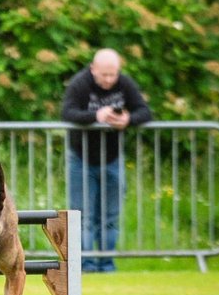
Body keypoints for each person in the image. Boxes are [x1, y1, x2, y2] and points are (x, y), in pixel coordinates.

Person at [61, 48, 151, 272]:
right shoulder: (80, 84)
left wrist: (128, 119)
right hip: (81, 159)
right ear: (93, 70)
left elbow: (145, 112)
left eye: (113, 75)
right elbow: (68, 113)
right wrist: (96, 116)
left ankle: (106, 263)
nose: (110, 80)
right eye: (104, 75)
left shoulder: (125, 84)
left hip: (112, 159)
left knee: (109, 216)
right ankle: (85, 264)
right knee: (83, 216)